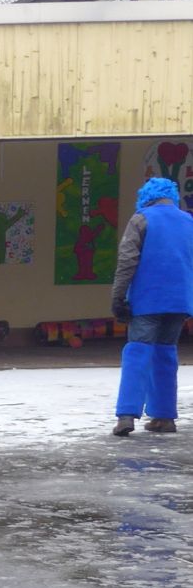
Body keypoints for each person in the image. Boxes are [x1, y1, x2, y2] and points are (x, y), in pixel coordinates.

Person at [110, 176, 193, 435]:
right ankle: (164, 417)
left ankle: (126, 415)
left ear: (145, 197)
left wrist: (118, 297)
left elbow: (127, 261)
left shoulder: (141, 219)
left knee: (138, 353)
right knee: (165, 355)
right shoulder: (189, 221)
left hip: (148, 300)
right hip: (179, 301)